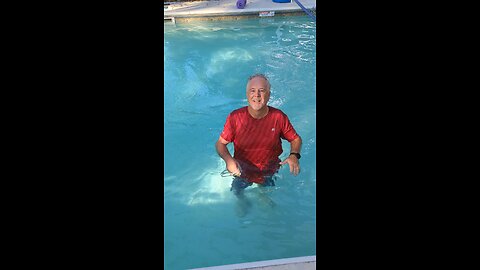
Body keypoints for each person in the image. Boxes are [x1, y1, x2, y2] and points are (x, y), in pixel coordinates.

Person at [215, 74, 302, 196]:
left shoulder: (278, 117)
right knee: (237, 193)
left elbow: (296, 139)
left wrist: (294, 155)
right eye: (252, 91)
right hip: (242, 170)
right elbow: (220, 143)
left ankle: (263, 196)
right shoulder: (235, 117)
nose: (257, 95)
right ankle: (242, 201)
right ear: (247, 94)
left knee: (266, 194)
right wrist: (229, 161)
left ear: (269, 95)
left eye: (262, 91)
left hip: (269, 170)